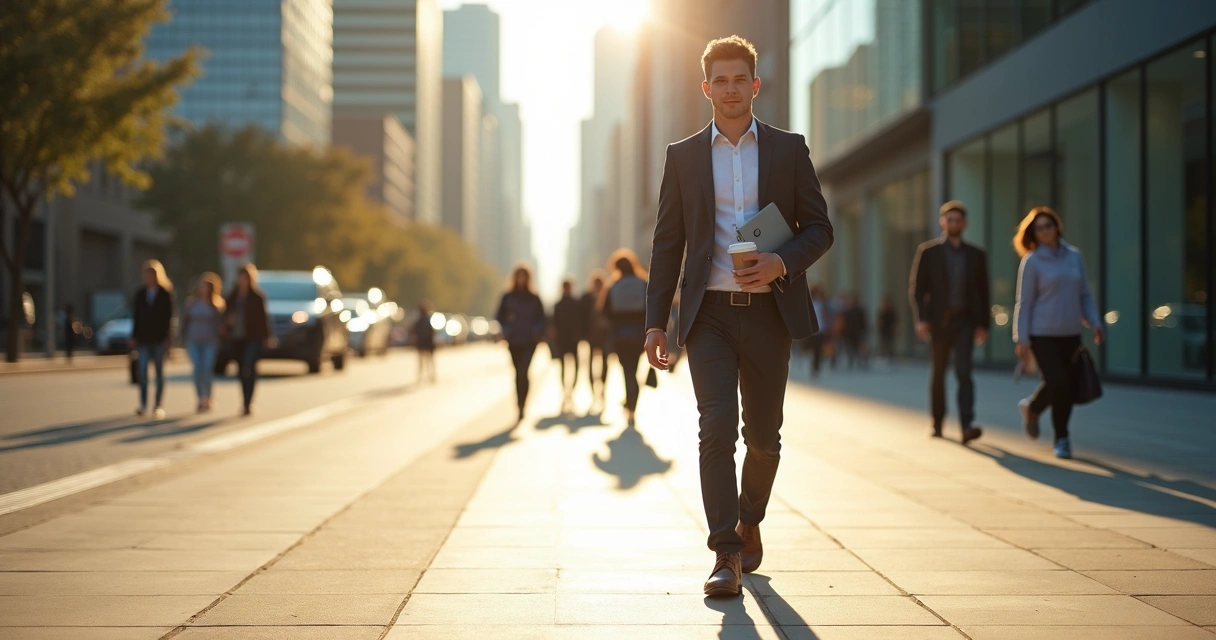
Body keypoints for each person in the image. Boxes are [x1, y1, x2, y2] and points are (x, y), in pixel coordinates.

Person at [644, 36, 833, 597]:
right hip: (709, 317)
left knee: (765, 437)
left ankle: (751, 519)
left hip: (771, 314)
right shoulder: (682, 156)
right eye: (719, 80)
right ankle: (725, 550)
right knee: (716, 427)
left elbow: (819, 229)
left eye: (739, 79)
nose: (730, 89)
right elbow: (667, 242)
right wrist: (657, 322)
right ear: (706, 88)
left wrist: (780, 260)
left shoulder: (788, 149)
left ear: (755, 85)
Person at [1013, 206, 1104, 459]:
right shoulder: (1031, 260)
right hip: (1042, 334)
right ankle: (1062, 438)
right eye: (1039, 228)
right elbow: (1024, 302)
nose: (1044, 231)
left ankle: (1033, 407)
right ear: (1034, 232)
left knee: (1060, 382)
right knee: (1060, 383)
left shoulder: (1074, 256)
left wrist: (1095, 322)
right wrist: (1021, 338)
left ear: (1056, 227)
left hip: (1071, 333)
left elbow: (1084, 293)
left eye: (1048, 225)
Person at [909, 200, 990, 444]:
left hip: (965, 320)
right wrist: (921, 319)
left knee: (964, 371)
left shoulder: (976, 255)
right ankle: (937, 422)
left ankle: (967, 425)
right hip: (938, 322)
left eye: (958, 220)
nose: (953, 223)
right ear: (942, 222)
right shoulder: (928, 251)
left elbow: (983, 291)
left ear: (964, 224)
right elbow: (917, 288)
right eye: (949, 219)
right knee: (939, 373)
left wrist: (983, 324)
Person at [600, 249, 649, 426]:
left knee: (627, 371)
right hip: (639, 335)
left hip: (620, 336)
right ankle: (631, 406)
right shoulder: (643, 283)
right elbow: (651, 308)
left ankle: (630, 406)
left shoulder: (613, 286)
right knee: (633, 371)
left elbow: (604, 312)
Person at [496, 263, 546, 423]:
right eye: (519, 276)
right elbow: (499, 316)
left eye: (524, 276)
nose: (521, 279)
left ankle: (523, 404)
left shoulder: (534, 297)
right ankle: (519, 405)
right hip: (514, 340)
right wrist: (506, 330)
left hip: (530, 341)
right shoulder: (508, 296)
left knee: (524, 371)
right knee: (518, 373)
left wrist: (536, 331)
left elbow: (542, 318)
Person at [224, 264, 272, 416]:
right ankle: (244, 401)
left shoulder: (257, 297)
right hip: (237, 338)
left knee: (249, 367)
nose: (242, 281)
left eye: (245, 278)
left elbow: (264, 319)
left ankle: (249, 402)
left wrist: (266, 337)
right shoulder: (232, 296)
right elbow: (225, 314)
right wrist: (227, 324)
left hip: (253, 337)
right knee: (240, 371)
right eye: (240, 277)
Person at [131, 259, 175, 419]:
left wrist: (168, 337)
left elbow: (170, 318)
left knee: (159, 373)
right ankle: (143, 404)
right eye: (146, 273)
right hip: (143, 339)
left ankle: (158, 405)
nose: (149, 277)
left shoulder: (165, 293)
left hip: (159, 339)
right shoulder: (140, 294)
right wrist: (134, 336)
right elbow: (136, 317)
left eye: (152, 273)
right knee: (142, 371)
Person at [183, 273, 225, 413]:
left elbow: (220, 324)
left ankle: (208, 397)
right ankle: (200, 398)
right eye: (201, 285)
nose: (203, 288)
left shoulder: (216, 304)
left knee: (207, 369)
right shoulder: (192, 303)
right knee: (197, 370)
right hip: (194, 340)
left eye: (206, 285)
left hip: (210, 341)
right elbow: (185, 322)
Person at [580, 270, 610, 410]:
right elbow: (581, 317)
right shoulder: (586, 298)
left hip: (604, 336)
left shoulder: (608, 295)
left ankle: (602, 388)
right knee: (591, 364)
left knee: (605, 363)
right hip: (591, 336)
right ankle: (593, 392)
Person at [553, 278, 583, 412]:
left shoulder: (575, 303)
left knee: (574, 366)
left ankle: (570, 390)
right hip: (564, 339)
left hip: (572, 339)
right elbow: (554, 323)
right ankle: (566, 391)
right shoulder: (559, 304)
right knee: (563, 367)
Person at [840, 293, 869, 370]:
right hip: (849, 333)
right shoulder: (846, 311)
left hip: (858, 332)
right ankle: (852, 362)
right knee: (850, 348)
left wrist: (863, 330)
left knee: (860, 348)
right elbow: (843, 323)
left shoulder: (859, 310)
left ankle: (862, 361)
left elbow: (863, 321)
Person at [413, 300, 437, 384]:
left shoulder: (419, 320)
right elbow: (433, 331)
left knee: (422, 360)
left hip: (422, 342)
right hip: (427, 342)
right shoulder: (428, 319)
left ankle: (423, 375)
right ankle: (431, 374)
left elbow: (414, 331)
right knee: (429, 359)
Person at [877, 295, 898, 361]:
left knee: (890, 344)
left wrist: (895, 329)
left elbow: (895, 321)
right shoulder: (881, 312)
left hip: (889, 330)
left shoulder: (892, 312)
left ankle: (890, 356)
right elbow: (879, 321)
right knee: (883, 343)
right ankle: (884, 355)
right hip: (883, 330)